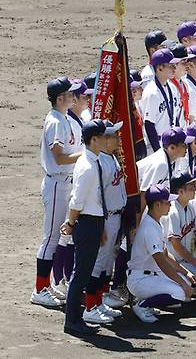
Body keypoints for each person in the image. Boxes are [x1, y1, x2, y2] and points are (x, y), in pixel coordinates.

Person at [60, 120, 119, 336]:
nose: (107, 140)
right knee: (80, 275)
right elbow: (77, 201)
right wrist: (70, 223)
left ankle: (75, 318)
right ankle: (72, 320)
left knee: (82, 274)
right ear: (94, 140)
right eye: (103, 137)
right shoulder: (87, 166)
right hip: (85, 223)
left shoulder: (93, 161)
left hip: (93, 222)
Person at [33, 77, 83, 309]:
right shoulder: (55, 121)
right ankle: (39, 289)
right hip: (56, 184)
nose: (74, 96)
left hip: (65, 183)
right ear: (60, 98)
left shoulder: (63, 118)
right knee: (51, 238)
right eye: (70, 94)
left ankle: (46, 285)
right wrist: (85, 156)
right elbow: (59, 157)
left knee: (57, 236)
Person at [128, 185, 196, 324]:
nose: (170, 204)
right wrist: (182, 284)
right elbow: (160, 261)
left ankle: (147, 301)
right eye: (167, 202)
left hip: (150, 276)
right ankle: (142, 305)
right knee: (180, 293)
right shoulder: (149, 227)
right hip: (140, 279)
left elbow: (165, 254)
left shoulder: (156, 222)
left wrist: (185, 272)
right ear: (157, 204)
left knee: (186, 283)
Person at [85, 120, 126, 323]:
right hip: (106, 217)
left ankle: (99, 303)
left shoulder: (111, 158)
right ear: (105, 139)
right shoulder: (100, 162)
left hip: (115, 216)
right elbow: (97, 195)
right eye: (115, 136)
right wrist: (101, 224)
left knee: (107, 264)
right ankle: (90, 306)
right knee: (98, 263)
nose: (119, 138)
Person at [141, 49, 182, 155]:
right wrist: (158, 152)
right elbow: (149, 124)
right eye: (171, 65)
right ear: (159, 68)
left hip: (172, 143)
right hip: (157, 144)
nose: (175, 68)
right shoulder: (152, 92)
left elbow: (174, 115)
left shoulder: (172, 87)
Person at [137, 126, 192, 204]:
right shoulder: (161, 164)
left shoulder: (172, 159)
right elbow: (144, 195)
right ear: (172, 147)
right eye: (183, 145)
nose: (187, 147)